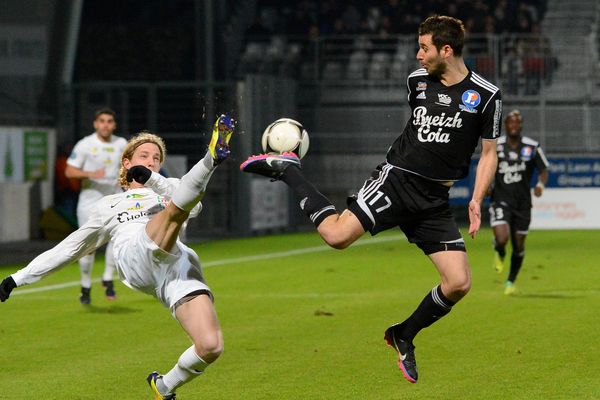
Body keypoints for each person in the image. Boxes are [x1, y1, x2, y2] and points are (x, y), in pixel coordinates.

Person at [241, 15, 501, 384]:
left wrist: (476, 199)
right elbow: (418, 133)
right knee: (336, 237)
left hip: (434, 199)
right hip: (396, 182)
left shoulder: (487, 95)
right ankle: (289, 170)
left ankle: (403, 334)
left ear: (446, 50)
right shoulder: (416, 81)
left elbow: (488, 154)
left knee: (458, 282)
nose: (418, 55)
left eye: (424, 48)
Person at [0, 114, 235, 400]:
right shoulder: (109, 204)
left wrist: (153, 180)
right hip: (134, 255)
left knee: (210, 346)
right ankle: (212, 157)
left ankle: (163, 386)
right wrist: (18, 278)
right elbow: (70, 247)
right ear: (126, 163)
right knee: (174, 210)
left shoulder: (169, 187)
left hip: (175, 266)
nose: (151, 161)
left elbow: (191, 205)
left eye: (156, 158)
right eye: (144, 156)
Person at [65, 107, 127, 304]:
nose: (105, 125)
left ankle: (108, 278)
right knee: (89, 246)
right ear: (95, 124)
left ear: (114, 125)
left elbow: (128, 167)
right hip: (90, 202)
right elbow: (69, 171)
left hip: (115, 199)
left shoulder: (121, 144)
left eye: (109, 121)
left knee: (117, 238)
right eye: (102, 121)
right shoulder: (85, 144)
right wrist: (92, 174)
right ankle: (85, 285)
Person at [489, 109, 548, 295]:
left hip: (523, 204)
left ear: (521, 125)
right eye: (510, 122)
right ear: (505, 125)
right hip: (500, 199)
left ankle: (510, 280)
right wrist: (487, 185)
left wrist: (540, 185)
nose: (514, 125)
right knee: (502, 238)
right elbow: (485, 165)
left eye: (517, 122)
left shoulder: (531, 146)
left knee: (519, 244)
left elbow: (544, 169)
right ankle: (499, 250)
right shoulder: (495, 145)